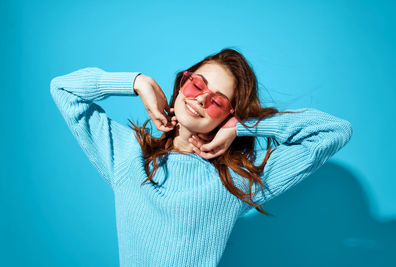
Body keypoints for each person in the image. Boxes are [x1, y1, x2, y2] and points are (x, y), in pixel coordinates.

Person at [50, 48, 353, 266]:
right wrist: (137, 82)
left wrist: (243, 126)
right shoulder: (128, 155)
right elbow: (63, 89)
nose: (200, 99)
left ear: (226, 115)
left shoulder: (235, 178)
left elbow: (334, 131)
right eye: (197, 84)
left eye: (218, 101)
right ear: (183, 83)